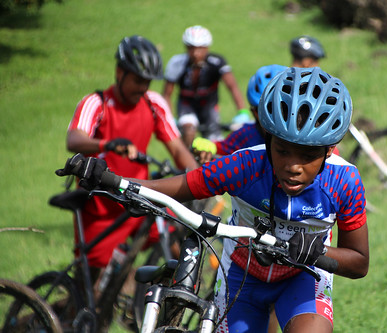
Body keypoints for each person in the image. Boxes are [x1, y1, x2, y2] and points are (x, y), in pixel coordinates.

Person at [59, 67, 369, 333]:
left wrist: (317, 251)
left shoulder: (344, 181)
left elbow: (359, 262)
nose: (293, 165)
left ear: (329, 150)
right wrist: (111, 179)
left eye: (308, 155)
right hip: (241, 278)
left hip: (303, 278)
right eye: (282, 150)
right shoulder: (246, 165)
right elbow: (181, 185)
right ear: (267, 138)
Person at [66, 35, 199, 276]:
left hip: (137, 200)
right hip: (100, 208)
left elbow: (178, 149)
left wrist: (198, 178)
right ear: (119, 72)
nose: (143, 87)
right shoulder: (97, 103)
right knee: (92, 288)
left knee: (176, 246)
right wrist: (108, 143)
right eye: (138, 80)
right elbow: (73, 139)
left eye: (147, 82)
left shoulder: (153, 104)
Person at [192, 64, 340, 164]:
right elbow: (222, 149)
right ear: (253, 112)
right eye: (262, 110)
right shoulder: (245, 135)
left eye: (279, 109)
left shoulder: (316, 140)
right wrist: (209, 147)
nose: (271, 117)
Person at [162, 25, 247, 148]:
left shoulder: (217, 61)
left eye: (200, 49)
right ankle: (188, 164)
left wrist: (242, 111)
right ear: (186, 47)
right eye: (191, 48)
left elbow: (232, 86)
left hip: (209, 106)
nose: (196, 53)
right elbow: (166, 94)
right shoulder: (176, 63)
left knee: (214, 144)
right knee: (189, 131)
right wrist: (169, 117)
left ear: (207, 48)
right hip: (187, 106)